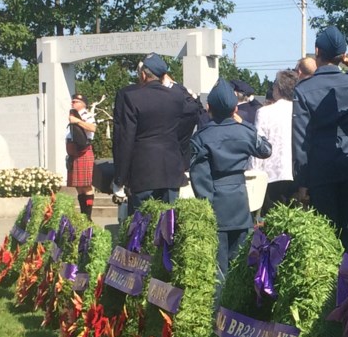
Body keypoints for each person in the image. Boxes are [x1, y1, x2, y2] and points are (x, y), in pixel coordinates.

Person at [190, 78, 273, 282]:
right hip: (240, 204)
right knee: (240, 267)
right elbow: (265, 149)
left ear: (209, 108)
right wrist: (244, 123)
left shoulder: (202, 137)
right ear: (235, 108)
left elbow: (200, 179)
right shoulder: (244, 132)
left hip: (216, 205)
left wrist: (206, 208)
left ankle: (218, 312)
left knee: (218, 270)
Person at [292, 26, 348, 257]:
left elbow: (301, 139)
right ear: (343, 55)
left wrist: (302, 182)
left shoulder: (304, 89)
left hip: (320, 171)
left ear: (316, 51)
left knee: (325, 235)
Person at [112, 53, 203, 215]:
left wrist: (120, 178)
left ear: (143, 74)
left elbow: (126, 140)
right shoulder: (177, 97)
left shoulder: (132, 98)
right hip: (171, 170)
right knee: (168, 228)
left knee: (141, 229)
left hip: (143, 172)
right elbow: (192, 115)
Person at [251, 69, 299, 216]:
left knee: (272, 224)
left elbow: (258, 144)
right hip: (297, 173)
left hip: (272, 175)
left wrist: (254, 174)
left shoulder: (265, 112)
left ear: (278, 89)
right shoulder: (300, 109)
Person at [65, 93, 97, 220]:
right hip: (74, 154)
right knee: (79, 186)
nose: (73, 103)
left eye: (76, 101)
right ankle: (83, 215)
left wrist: (77, 121)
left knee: (86, 185)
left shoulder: (87, 115)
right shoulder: (72, 115)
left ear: (83, 103)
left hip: (83, 152)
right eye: (72, 101)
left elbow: (93, 128)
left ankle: (88, 216)